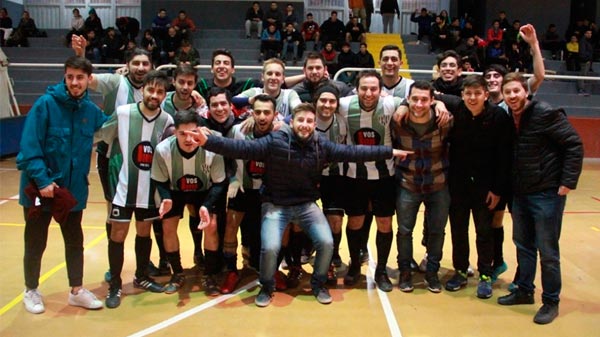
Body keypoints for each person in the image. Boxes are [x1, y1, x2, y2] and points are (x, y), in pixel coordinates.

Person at [189, 102, 412, 307]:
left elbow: (353, 152)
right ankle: (266, 287)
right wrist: (208, 141)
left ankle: (318, 283)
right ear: (291, 122)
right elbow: (240, 149)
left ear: (314, 124)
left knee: (326, 243)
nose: (305, 125)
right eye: (300, 121)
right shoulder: (275, 141)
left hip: (306, 205)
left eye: (309, 121)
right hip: (275, 204)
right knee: (270, 248)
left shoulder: (321, 146)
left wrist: (389, 151)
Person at [72, 37, 170, 279]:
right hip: (112, 156)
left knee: (147, 215)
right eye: (136, 63)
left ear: (151, 67)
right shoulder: (115, 82)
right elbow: (87, 79)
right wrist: (82, 53)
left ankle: (144, 265)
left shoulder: (156, 92)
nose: (140, 68)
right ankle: (113, 267)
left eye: (145, 64)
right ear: (127, 65)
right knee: (114, 212)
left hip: (145, 163)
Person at [17, 56, 106, 314]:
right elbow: (28, 148)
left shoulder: (91, 111)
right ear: (64, 77)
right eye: (70, 77)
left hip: (72, 192)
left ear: (89, 80)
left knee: (75, 240)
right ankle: (31, 289)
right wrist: (43, 180)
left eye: (80, 77)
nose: (75, 82)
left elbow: (114, 124)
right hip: (40, 189)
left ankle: (77, 291)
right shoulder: (45, 105)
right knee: (35, 241)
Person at [497, 72, 583, 325]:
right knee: (523, 244)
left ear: (526, 92)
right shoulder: (508, 118)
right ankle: (524, 290)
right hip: (520, 192)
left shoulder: (545, 112)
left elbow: (574, 145)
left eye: (516, 91)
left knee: (547, 250)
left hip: (546, 192)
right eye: (508, 92)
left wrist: (568, 181)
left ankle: (551, 301)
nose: (512, 96)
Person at [95, 70, 174, 308]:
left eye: (160, 91)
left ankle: (141, 277)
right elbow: (102, 138)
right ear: (143, 90)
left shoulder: (166, 120)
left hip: (149, 190)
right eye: (151, 89)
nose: (155, 95)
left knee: (144, 232)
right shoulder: (123, 113)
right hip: (123, 187)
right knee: (117, 234)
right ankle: (116, 285)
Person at [437, 75, 512, 299]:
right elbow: (429, 94)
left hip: (487, 186)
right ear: (462, 95)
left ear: (486, 95)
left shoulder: (499, 116)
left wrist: (497, 190)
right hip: (458, 184)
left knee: (484, 232)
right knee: (458, 230)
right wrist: (439, 103)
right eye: (468, 93)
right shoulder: (457, 108)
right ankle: (460, 270)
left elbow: (505, 156)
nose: (472, 98)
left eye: (477, 94)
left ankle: (486, 275)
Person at [339, 70, 402, 292]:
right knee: (355, 221)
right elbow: (316, 108)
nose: (368, 93)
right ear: (356, 89)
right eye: (364, 88)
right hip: (354, 175)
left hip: (384, 175)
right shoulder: (344, 104)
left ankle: (381, 270)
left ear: (381, 90)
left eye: (373, 88)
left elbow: (421, 100)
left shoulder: (391, 104)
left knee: (384, 223)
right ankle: (355, 265)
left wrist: (440, 105)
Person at [152, 109, 226, 295]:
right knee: (168, 226)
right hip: (174, 190)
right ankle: (177, 273)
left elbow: (219, 183)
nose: (188, 139)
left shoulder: (212, 149)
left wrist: (206, 206)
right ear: (174, 132)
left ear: (199, 130)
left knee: (211, 226)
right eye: (182, 133)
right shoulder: (163, 150)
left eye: (192, 133)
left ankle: (209, 275)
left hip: (204, 191)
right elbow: (159, 180)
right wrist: (166, 197)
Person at [392, 80, 451, 293]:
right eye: (414, 99)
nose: (419, 104)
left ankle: (432, 272)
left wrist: (441, 105)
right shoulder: (398, 120)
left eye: (424, 100)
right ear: (408, 99)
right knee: (405, 231)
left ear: (432, 101)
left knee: (437, 231)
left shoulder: (445, 121)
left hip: (438, 183)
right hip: (408, 183)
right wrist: (402, 105)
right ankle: (405, 271)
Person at [219, 94, 278, 294]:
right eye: (258, 112)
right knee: (230, 225)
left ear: (275, 115)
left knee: (275, 230)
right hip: (242, 188)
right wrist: (232, 179)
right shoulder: (237, 130)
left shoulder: (282, 132)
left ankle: (274, 270)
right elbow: (225, 157)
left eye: (266, 113)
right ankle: (231, 270)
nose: (262, 117)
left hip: (268, 191)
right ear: (251, 113)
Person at [232, 58, 301, 119]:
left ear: (283, 79)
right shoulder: (255, 92)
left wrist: (283, 122)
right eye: (269, 73)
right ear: (262, 77)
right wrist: (250, 100)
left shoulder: (289, 94)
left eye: (277, 74)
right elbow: (233, 100)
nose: (273, 78)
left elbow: (300, 111)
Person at [577, 29, 594, 96]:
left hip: (587, 61)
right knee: (582, 75)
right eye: (588, 33)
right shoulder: (583, 41)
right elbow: (582, 52)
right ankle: (581, 89)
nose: (590, 34)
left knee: (584, 75)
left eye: (591, 33)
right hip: (584, 61)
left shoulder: (587, 41)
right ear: (585, 34)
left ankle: (582, 89)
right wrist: (586, 59)